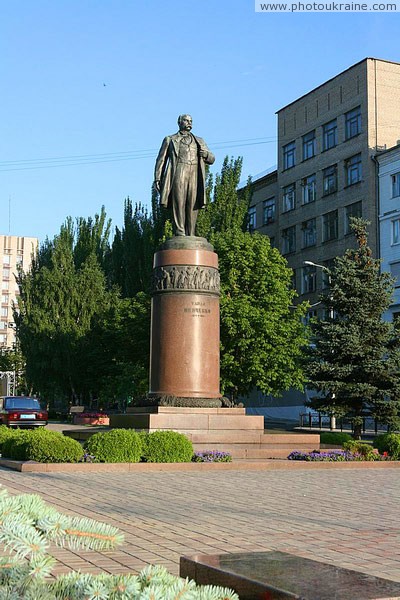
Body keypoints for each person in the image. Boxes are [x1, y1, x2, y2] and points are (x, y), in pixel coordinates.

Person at [154, 114, 215, 236]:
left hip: (194, 173)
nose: (189, 123)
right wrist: (157, 178)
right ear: (179, 122)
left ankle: (191, 233)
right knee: (179, 201)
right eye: (186, 120)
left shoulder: (199, 140)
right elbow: (161, 160)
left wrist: (206, 155)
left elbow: (212, 159)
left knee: (193, 202)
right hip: (179, 170)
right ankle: (180, 232)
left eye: (191, 121)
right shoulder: (170, 139)